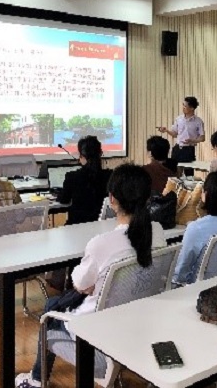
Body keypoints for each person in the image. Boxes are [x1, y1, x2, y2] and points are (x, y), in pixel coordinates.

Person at [15, 164, 167, 388]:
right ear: (148, 198)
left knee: (49, 311)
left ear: (112, 200)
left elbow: (80, 284)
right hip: (137, 321)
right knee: (54, 303)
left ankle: (37, 380)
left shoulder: (102, 243)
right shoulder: (158, 231)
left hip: (97, 329)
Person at [57, 135, 111, 225]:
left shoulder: (72, 177)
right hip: (100, 227)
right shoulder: (109, 176)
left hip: (76, 227)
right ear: (100, 154)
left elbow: (64, 200)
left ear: (82, 156)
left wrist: (58, 195)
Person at [158, 96, 205, 176]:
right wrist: (166, 130)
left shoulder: (198, 121)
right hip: (177, 149)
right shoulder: (179, 119)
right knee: (175, 174)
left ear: (192, 108)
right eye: (183, 105)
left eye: (185, 106)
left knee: (189, 175)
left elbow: (202, 138)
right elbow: (175, 134)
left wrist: (193, 140)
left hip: (189, 150)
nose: (183, 107)